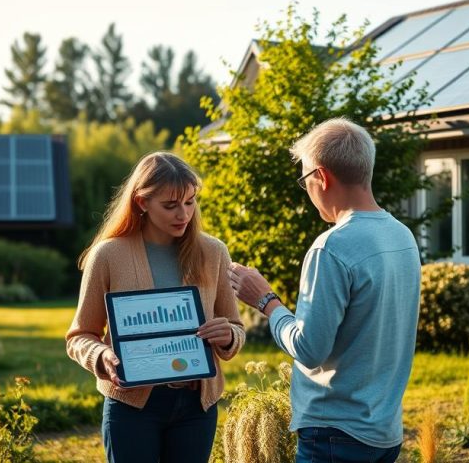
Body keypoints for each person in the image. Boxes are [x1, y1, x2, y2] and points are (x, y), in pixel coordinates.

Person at [229, 118, 421, 463]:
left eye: (305, 180)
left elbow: (309, 348)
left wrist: (266, 300)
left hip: (336, 434)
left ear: (321, 176)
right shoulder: (402, 236)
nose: (308, 191)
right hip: (385, 431)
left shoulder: (332, 247)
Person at [66, 151, 245, 463]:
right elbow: (80, 336)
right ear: (141, 202)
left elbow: (236, 328)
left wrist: (228, 335)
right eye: (170, 205)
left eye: (190, 202)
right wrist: (102, 356)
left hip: (196, 406)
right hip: (133, 408)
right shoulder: (107, 255)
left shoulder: (214, 252)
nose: (183, 214)